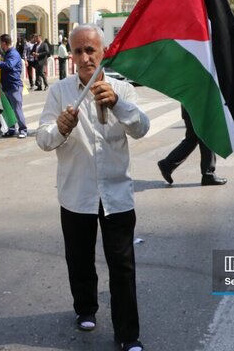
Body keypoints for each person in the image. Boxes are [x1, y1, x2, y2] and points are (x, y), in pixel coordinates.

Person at [36, 24, 149, 351]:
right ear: (70, 55)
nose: (85, 58)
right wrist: (59, 128)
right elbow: (43, 139)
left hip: (117, 196)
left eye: (91, 51)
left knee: (123, 266)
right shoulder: (60, 92)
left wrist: (117, 104)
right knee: (79, 258)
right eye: (78, 51)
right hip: (76, 195)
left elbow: (142, 127)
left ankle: (128, 334)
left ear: (103, 53)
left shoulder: (122, 90)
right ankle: (85, 308)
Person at [157, 105, 227, 186]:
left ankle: (167, 165)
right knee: (207, 138)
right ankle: (208, 175)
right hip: (201, 107)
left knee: (192, 139)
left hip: (189, 105)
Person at [0, 34, 27, 138]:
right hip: (7, 86)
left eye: (1, 43)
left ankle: (23, 130)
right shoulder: (7, 53)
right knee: (8, 109)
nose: (0, 45)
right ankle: (12, 129)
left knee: (17, 109)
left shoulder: (13, 53)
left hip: (14, 86)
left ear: (4, 43)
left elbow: (9, 65)